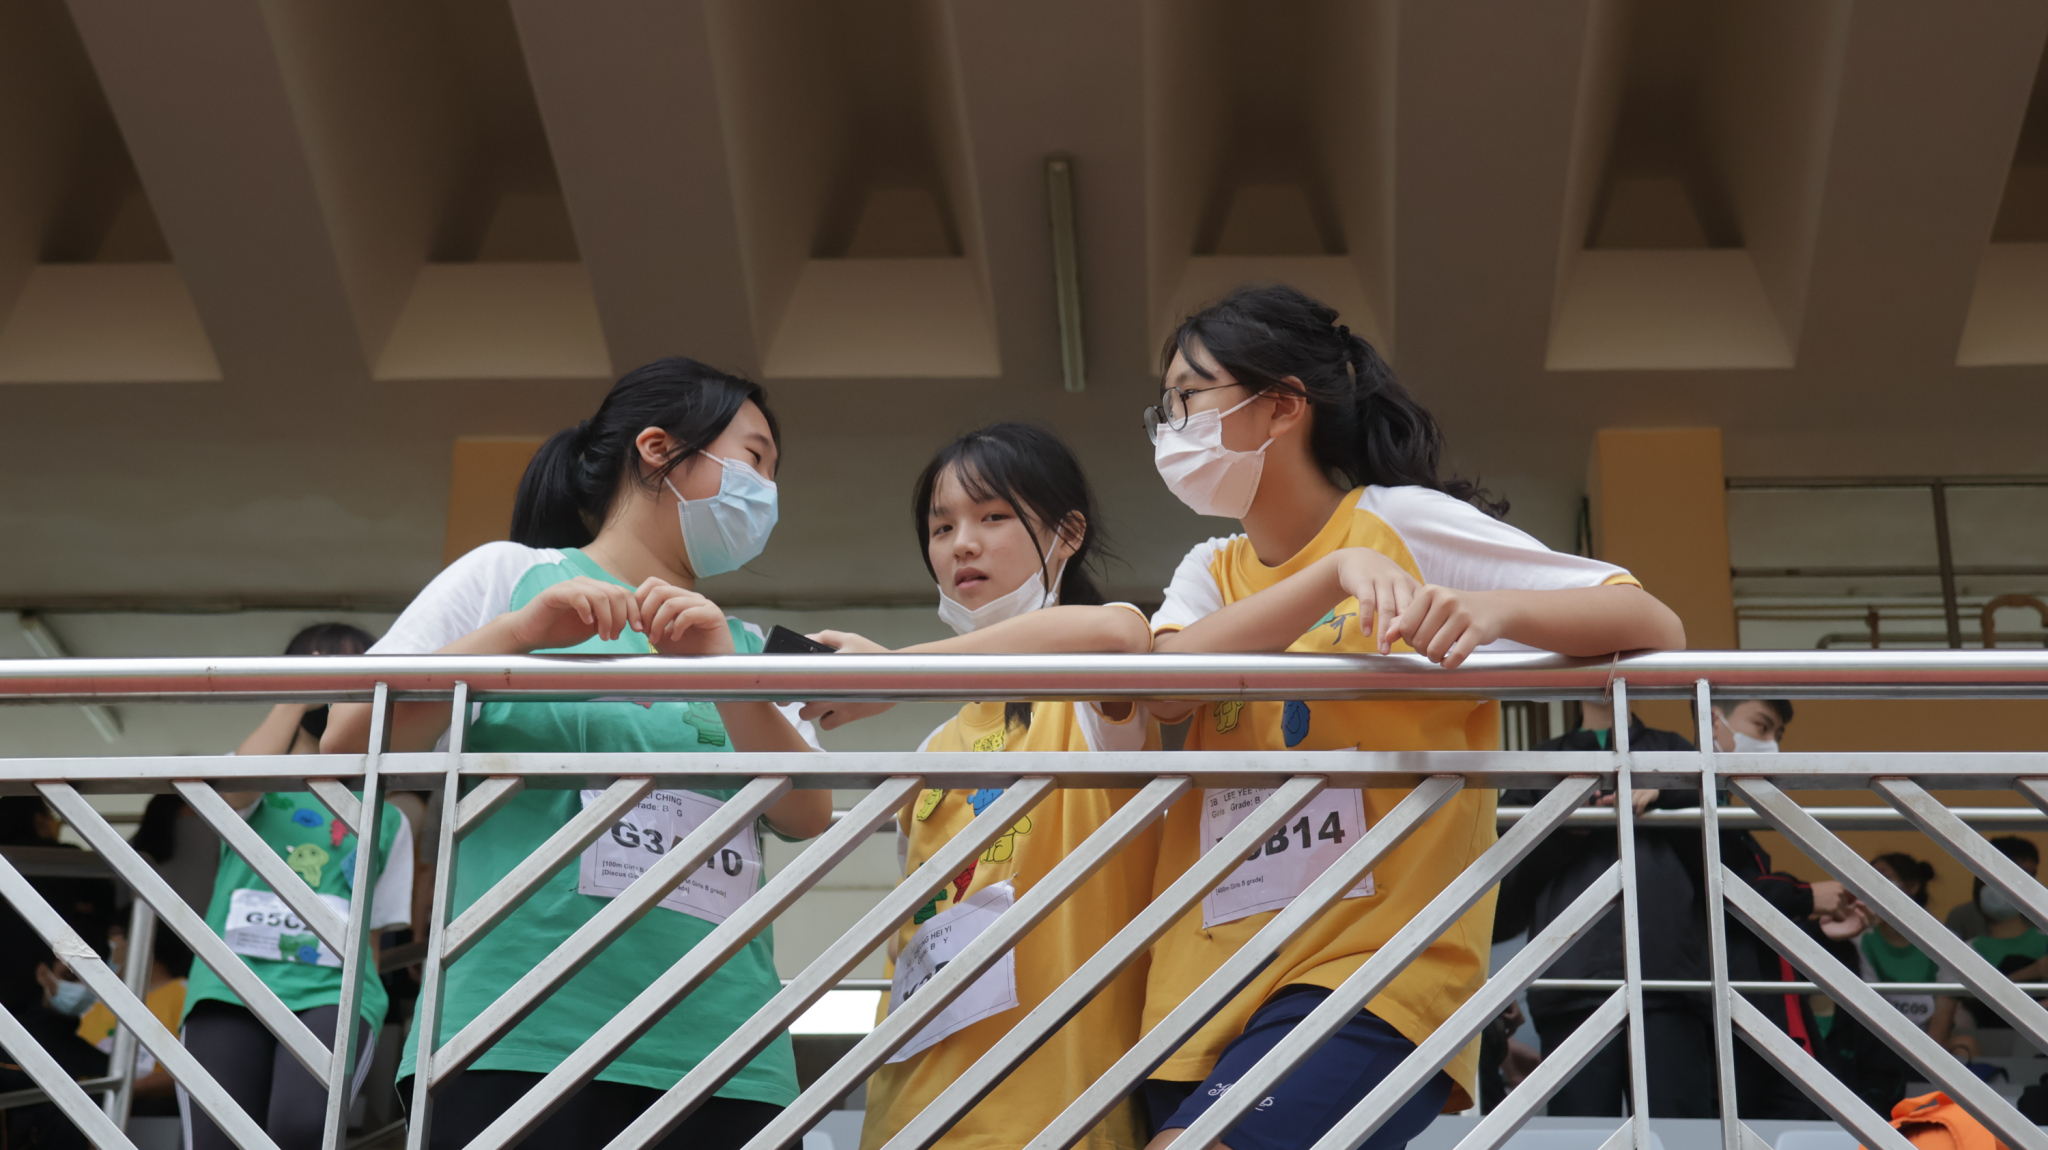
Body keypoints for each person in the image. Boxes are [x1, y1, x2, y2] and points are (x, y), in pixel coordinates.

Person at [1133, 285, 1687, 1150]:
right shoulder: (1210, 569)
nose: (1172, 428)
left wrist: (1493, 612)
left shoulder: (1400, 521)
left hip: (1375, 967)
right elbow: (1167, 690)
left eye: (1189, 398)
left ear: (1281, 405)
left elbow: (1653, 625)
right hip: (1209, 975)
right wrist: (1332, 577)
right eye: (1166, 406)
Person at [324, 357, 830, 1150]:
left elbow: (806, 812)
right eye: (754, 459)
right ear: (658, 449)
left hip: (722, 1051)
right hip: (515, 1032)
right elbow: (349, 740)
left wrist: (723, 669)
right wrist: (519, 637)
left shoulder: (752, 646)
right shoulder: (510, 577)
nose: (766, 491)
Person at [799, 423, 1159, 1150]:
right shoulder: (936, 745)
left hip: (1054, 1116)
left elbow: (1120, 637)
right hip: (909, 1116)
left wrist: (898, 673)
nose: (962, 544)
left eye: (993, 517)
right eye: (941, 528)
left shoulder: (1091, 701)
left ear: (1068, 534)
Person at [180, 622, 416, 1150]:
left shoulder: (390, 818)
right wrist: (293, 693)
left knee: (304, 1129)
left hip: (333, 993)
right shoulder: (256, 779)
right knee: (220, 1138)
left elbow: (375, 935)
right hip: (230, 988)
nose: (333, 688)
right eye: (319, 670)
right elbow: (232, 791)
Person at [1498, 699, 1717, 1118]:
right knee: (1582, 1134)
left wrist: (1665, 793)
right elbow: (1508, 879)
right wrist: (1568, 827)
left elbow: (1719, 829)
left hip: (1667, 980)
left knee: (1678, 1130)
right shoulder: (1542, 760)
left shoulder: (1671, 748)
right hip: (1572, 982)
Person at [1929, 837, 2047, 1053]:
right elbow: (1946, 1009)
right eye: (2018, 875)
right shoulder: (1964, 933)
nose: (2024, 885)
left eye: (2030, 876)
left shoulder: (2043, 929)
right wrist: (2032, 971)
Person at [75, 924, 193, 1116]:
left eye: (112, 944)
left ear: (141, 942)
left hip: (153, 1118)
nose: (102, 955)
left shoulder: (185, 995)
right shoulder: (96, 1005)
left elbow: (198, 1071)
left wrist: (122, 1089)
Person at [1858, 854, 1940, 1030]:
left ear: (1913, 886)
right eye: (1870, 878)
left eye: (1884, 877)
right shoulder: (1861, 941)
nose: (1875, 885)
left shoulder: (1943, 942)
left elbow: (1945, 1006)